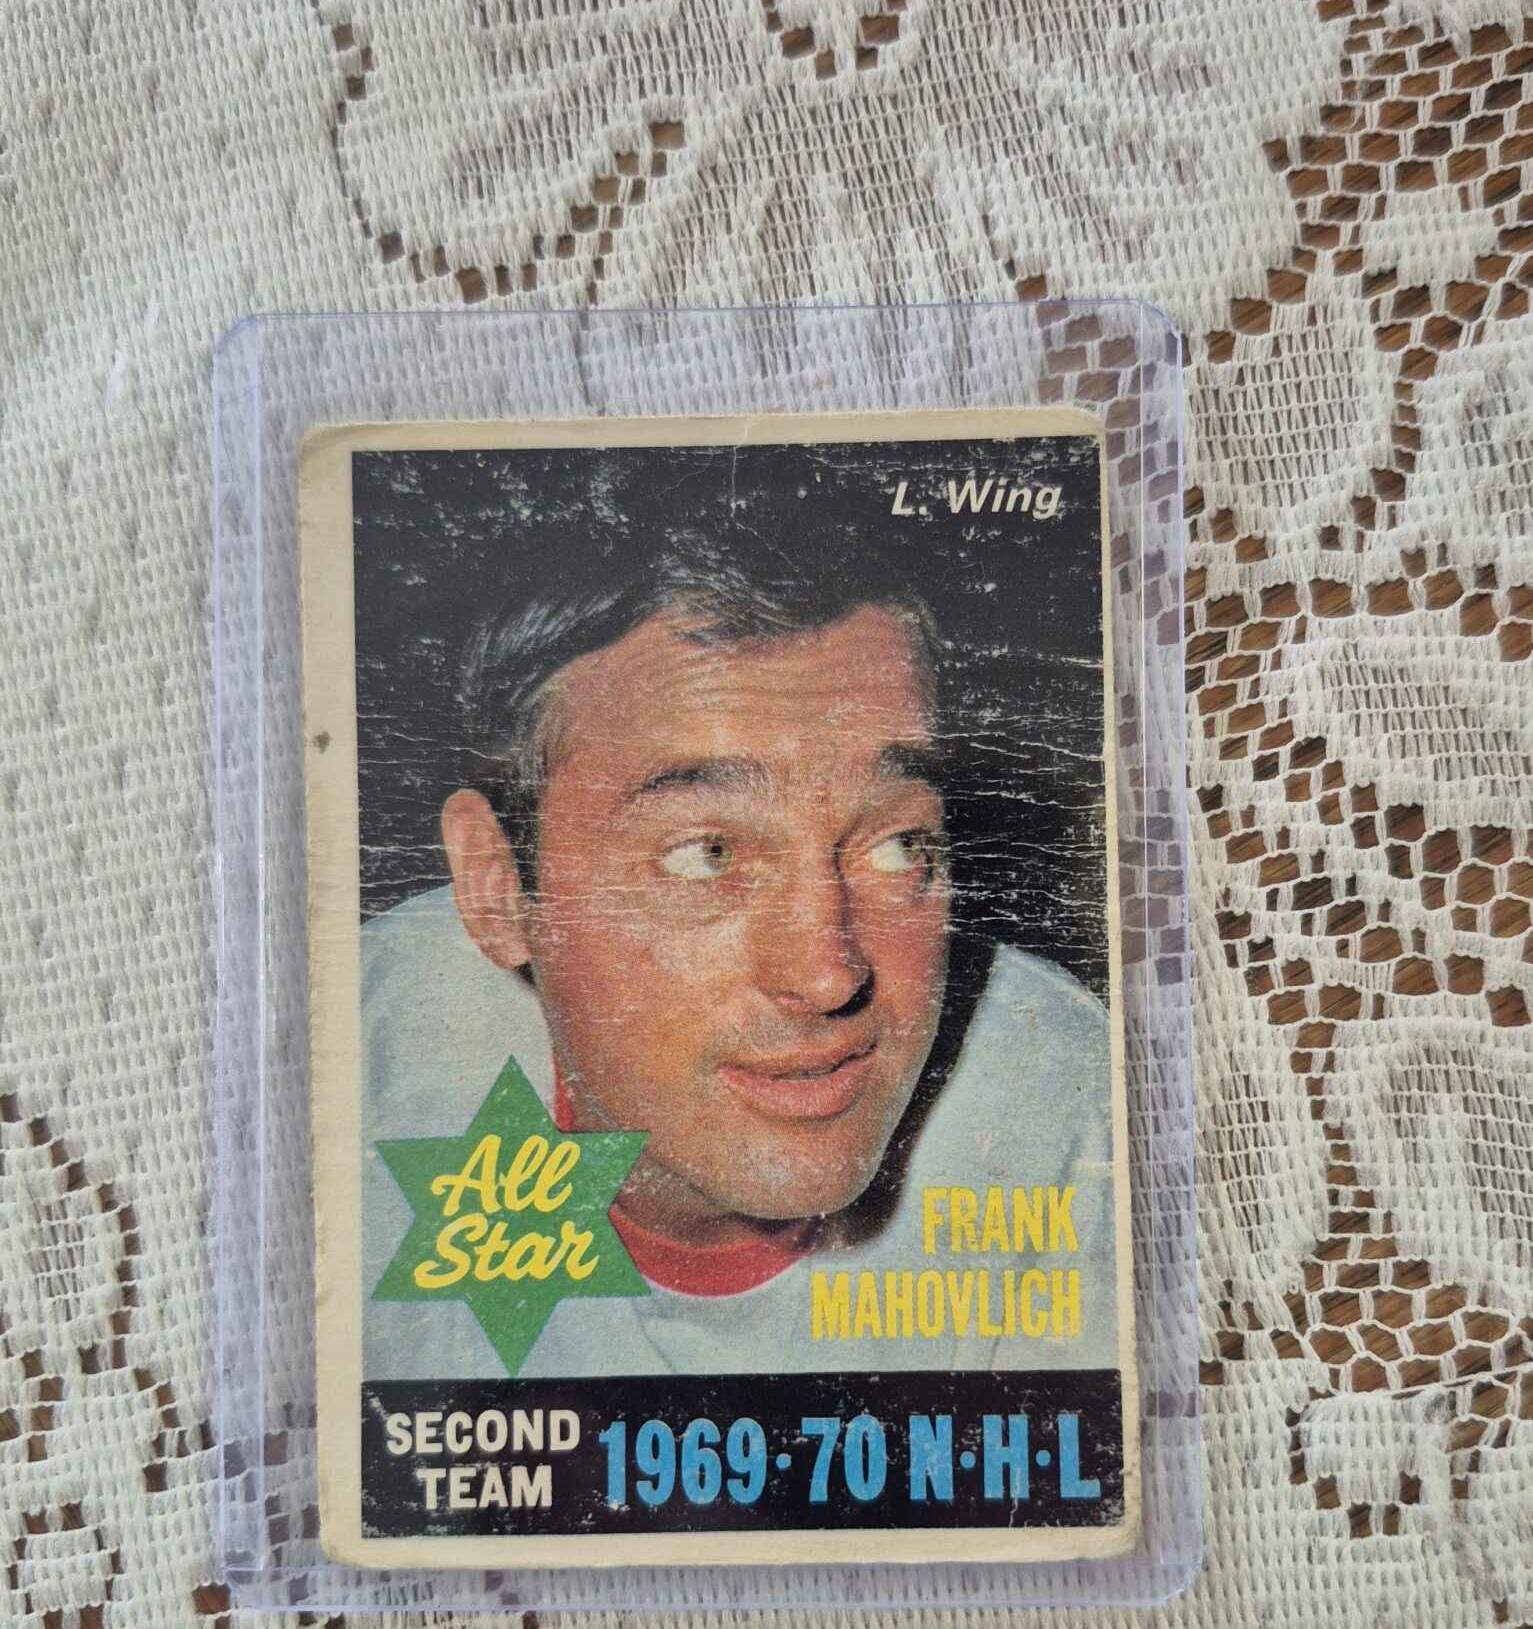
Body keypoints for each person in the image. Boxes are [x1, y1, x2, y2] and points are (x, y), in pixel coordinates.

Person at [360, 513, 1120, 1378]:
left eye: (897, 846)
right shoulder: (354, 1063)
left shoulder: (1064, 1106)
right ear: (498, 888)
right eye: (706, 856)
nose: (828, 976)